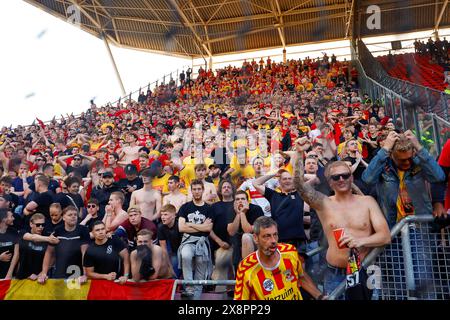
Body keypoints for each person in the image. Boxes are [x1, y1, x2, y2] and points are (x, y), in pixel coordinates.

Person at [292, 137, 391, 298]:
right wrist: (298, 153)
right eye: (336, 177)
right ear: (329, 182)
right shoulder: (323, 203)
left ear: (351, 177)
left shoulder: (367, 202)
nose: (341, 179)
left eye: (345, 175)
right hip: (335, 274)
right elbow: (299, 186)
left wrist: (360, 241)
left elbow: (385, 236)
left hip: (367, 270)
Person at [234, 216, 324, 300]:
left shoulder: (290, 251)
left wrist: (320, 296)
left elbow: (302, 277)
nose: (273, 241)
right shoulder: (245, 268)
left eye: (275, 235)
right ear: (255, 238)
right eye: (267, 236)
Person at [253, 169, 307, 254]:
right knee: (283, 267)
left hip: (299, 241)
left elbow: (314, 179)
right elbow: (255, 183)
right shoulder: (273, 195)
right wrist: (274, 173)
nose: (287, 181)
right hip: (280, 241)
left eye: (290, 179)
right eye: (284, 179)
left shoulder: (299, 194)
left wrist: (296, 177)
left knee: (300, 266)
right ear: (279, 181)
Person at [177, 179, 215, 298]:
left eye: (199, 189)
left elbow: (208, 229)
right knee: (186, 255)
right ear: (191, 191)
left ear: (203, 190)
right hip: (188, 240)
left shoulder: (209, 208)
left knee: (200, 273)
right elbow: (181, 228)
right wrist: (201, 226)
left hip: (202, 243)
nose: (197, 191)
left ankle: (196, 298)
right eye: (194, 189)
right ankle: (188, 287)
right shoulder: (185, 207)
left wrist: (191, 224)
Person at [38, 206, 90, 282]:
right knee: (58, 293)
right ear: (63, 217)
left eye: (75, 215)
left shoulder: (83, 230)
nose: (73, 217)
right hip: (59, 272)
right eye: (70, 215)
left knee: (73, 293)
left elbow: (84, 253)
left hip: (76, 272)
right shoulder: (58, 231)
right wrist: (44, 273)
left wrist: (85, 274)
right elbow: (49, 252)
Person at [227, 190, 264, 270]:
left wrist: (243, 213)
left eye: (243, 199)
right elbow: (231, 232)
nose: (240, 201)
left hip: (257, 242)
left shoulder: (256, 209)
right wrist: (238, 214)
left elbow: (248, 230)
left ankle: (247, 269)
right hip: (238, 243)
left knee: (246, 236)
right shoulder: (231, 210)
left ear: (247, 201)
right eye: (237, 199)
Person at [16, 213, 59, 280]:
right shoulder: (23, 232)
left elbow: (52, 258)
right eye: (38, 225)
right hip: (22, 276)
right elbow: (33, 237)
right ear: (31, 224)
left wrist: (42, 273)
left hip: (40, 278)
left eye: (43, 225)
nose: (41, 227)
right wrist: (48, 239)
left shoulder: (47, 236)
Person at [158, 204, 182, 278]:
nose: (163, 217)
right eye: (162, 215)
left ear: (174, 215)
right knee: (173, 271)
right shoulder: (161, 227)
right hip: (173, 251)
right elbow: (163, 249)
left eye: (165, 214)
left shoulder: (180, 225)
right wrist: (169, 267)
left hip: (184, 250)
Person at [0, 208, 19, 280]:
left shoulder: (14, 232)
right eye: (11, 216)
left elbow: (17, 254)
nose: (13, 218)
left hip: (10, 275)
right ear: (4, 219)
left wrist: (9, 274)